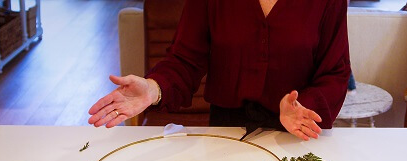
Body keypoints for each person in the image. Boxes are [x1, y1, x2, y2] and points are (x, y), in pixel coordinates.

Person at [89, 0, 351, 141]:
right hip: (225, 132)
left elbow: (335, 73)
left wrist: (301, 106)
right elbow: (185, 59)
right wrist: (153, 88)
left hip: (297, 134)